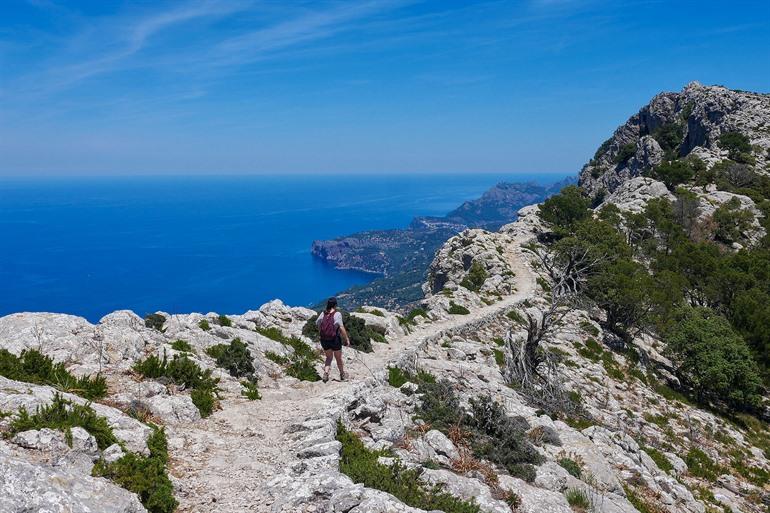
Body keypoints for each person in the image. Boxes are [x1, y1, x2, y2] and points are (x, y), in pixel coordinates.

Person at [315, 297, 351, 382]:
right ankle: (342, 374)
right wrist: (346, 339)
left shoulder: (322, 314)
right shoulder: (337, 314)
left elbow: (318, 324)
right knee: (338, 358)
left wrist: (322, 333)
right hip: (335, 339)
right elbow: (341, 328)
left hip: (324, 340)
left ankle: (326, 373)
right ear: (335, 305)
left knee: (328, 357)